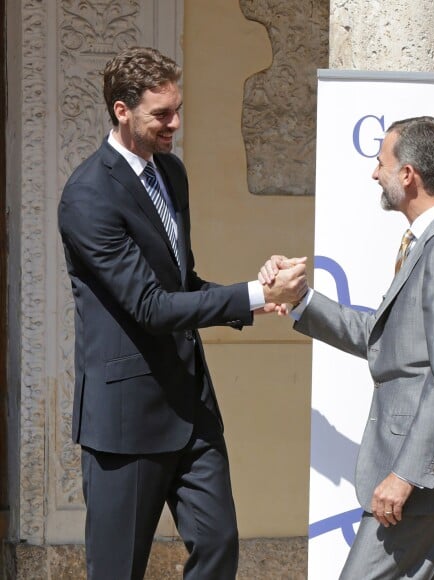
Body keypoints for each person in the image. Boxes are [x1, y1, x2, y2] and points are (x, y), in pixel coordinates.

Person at [58, 46, 307, 580]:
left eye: (178, 109)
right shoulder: (87, 196)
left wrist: (257, 296)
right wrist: (251, 296)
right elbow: (148, 306)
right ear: (122, 112)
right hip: (125, 419)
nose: (176, 123)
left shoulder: (171, 173)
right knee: (117, 570)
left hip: (191, 406)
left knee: (219, 547)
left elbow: (181, 285)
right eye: (161, 115)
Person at [261, 116, 434, 579]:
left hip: (421, 490)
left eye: (381, 162)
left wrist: (405, 474)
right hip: (430, 489)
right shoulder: (429, 245)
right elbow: (387, 341)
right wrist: (301, 301)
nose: (375, 173)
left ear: (407, 174)